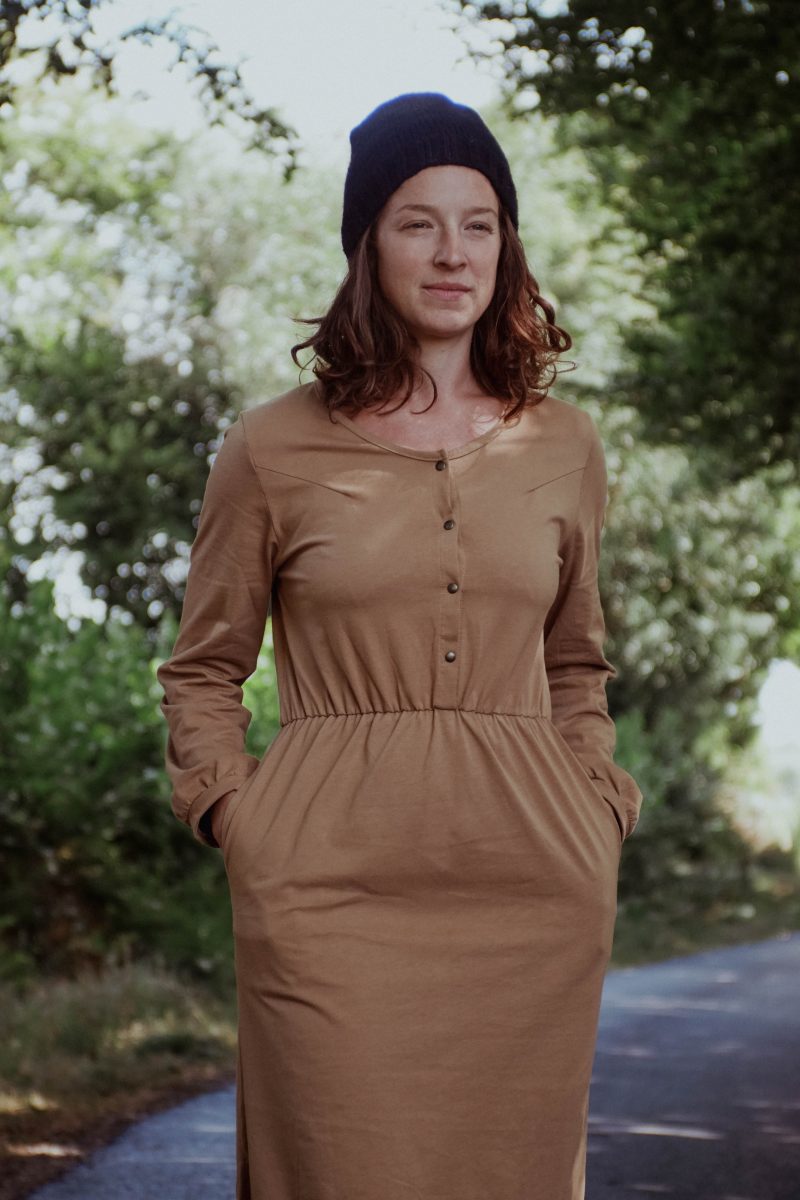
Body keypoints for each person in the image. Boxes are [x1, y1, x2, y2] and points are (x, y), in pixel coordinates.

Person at [157, 91, 643, 1200]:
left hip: (534, 879)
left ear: (506, 248)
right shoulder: (269, 445)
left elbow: (576, 662)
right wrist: (235, 812)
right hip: (323, 886)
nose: (452, 253)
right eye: (418, 222)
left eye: (479, 224)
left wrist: (595, 801)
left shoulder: (564, 445)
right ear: (367, 245)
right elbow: (204, 667)